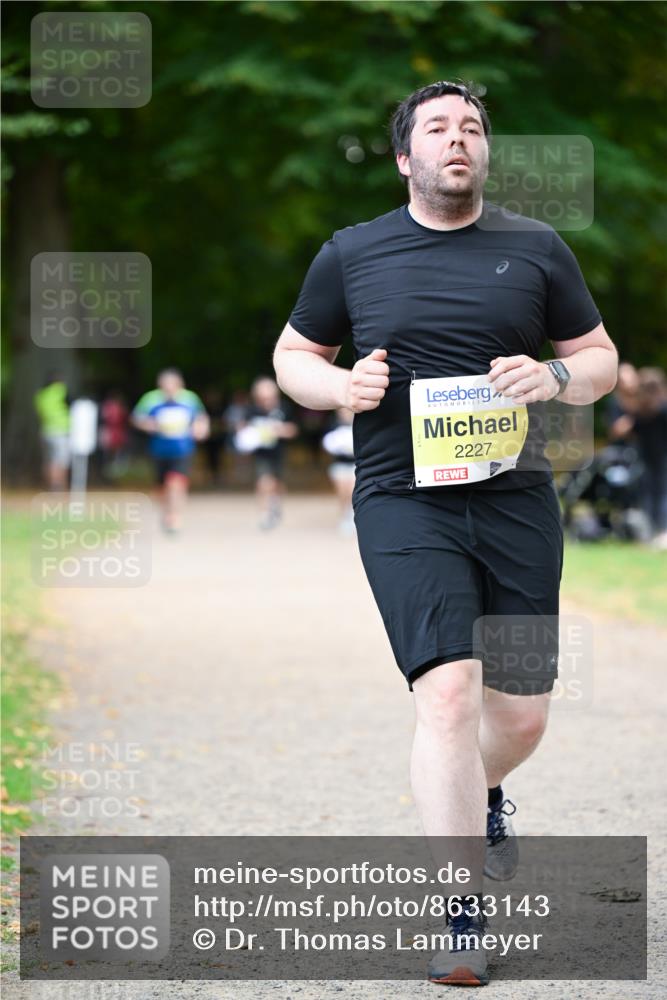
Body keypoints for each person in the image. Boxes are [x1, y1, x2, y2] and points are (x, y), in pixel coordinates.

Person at [273, 81, 618, 986]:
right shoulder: (352, 254)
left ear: (484, 154)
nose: (456, 138)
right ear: (404, 158)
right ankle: (460, 914)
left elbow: (600, 360)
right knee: (449, 698)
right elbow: (292, 358)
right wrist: (337, 390)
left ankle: (480, 794)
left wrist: (552, 375)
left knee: (520, 715)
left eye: (470, 127)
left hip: (514, 501)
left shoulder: (535, 248)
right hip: (402, 499)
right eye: (436, 127)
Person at [131, 369, 209, 534]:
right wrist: (147, 424)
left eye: (173, 386)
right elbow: (136, 418)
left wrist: (201, 429)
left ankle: (174, 517)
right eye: (165, 386)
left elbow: (201, 418)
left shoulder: (190, 399)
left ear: (180, 385)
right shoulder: (150, 399)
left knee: (176, 482)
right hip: (159, 450)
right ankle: (166, 512)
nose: (169, 389)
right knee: (161, 487)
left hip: (183, 449)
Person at [235, 377, 298, 530]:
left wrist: (278, 430)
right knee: (264, 481)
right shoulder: (251, 410)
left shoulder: (284, 408)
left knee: (278, 484)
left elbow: (293, 430)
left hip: (279, 452)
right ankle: (264, 514)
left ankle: (275, 504)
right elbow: (241, 429)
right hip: (260, 454)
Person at [632, 367, 667, 547]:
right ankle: (657, 532)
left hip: (656, 458)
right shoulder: (652, 410)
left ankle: (660, 532)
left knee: (658, 495)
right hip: (651, 458)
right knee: (655, 494)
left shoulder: (647, 411)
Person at [33, 372, 71, 490]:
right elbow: (72, 403)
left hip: (46, 431)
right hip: (61, 431)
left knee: (49, 461)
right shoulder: (60, 391)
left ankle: (50, 486)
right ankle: (61, 487)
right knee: (62, 460)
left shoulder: (41, 395)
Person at [321, 407, 356, 535]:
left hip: (355, 464)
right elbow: (327, 442)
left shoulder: (359, 423)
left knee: (352, 490)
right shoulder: (333, 424)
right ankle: (344, 517)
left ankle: (353, 516)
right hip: (339, 463)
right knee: (342, 491)